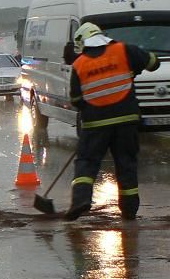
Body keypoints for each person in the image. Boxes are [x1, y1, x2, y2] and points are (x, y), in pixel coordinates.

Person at [64, 22, 161, 220]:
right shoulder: (124, 50)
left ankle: (81, 200)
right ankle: (129, 210)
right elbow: (153, 63)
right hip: (126, 121)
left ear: (84, 43)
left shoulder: (79, 64)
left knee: (86, 162)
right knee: (126, 164)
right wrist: (135, 67)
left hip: (95, 124)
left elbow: (75, 99)